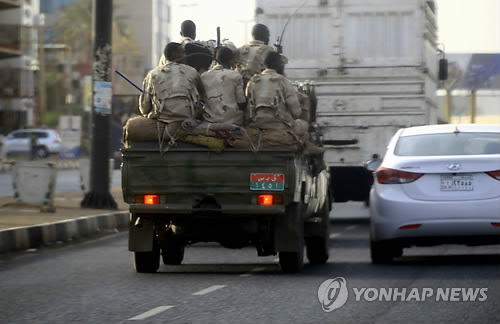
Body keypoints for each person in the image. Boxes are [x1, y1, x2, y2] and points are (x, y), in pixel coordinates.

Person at [140, 42, 206, 124]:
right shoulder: (192, 72)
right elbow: (203, 96)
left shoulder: (152, 75)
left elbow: (144, 109)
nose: (185, 56)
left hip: (161, 120)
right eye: (183, 52)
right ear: (175, 54)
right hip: (187, 120)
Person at [200, 47, 247, 125]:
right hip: (233, 121)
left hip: (210, 120)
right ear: (231, 60)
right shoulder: (235, 75)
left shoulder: (204, 76)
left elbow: (201, 99)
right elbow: (241, 103)